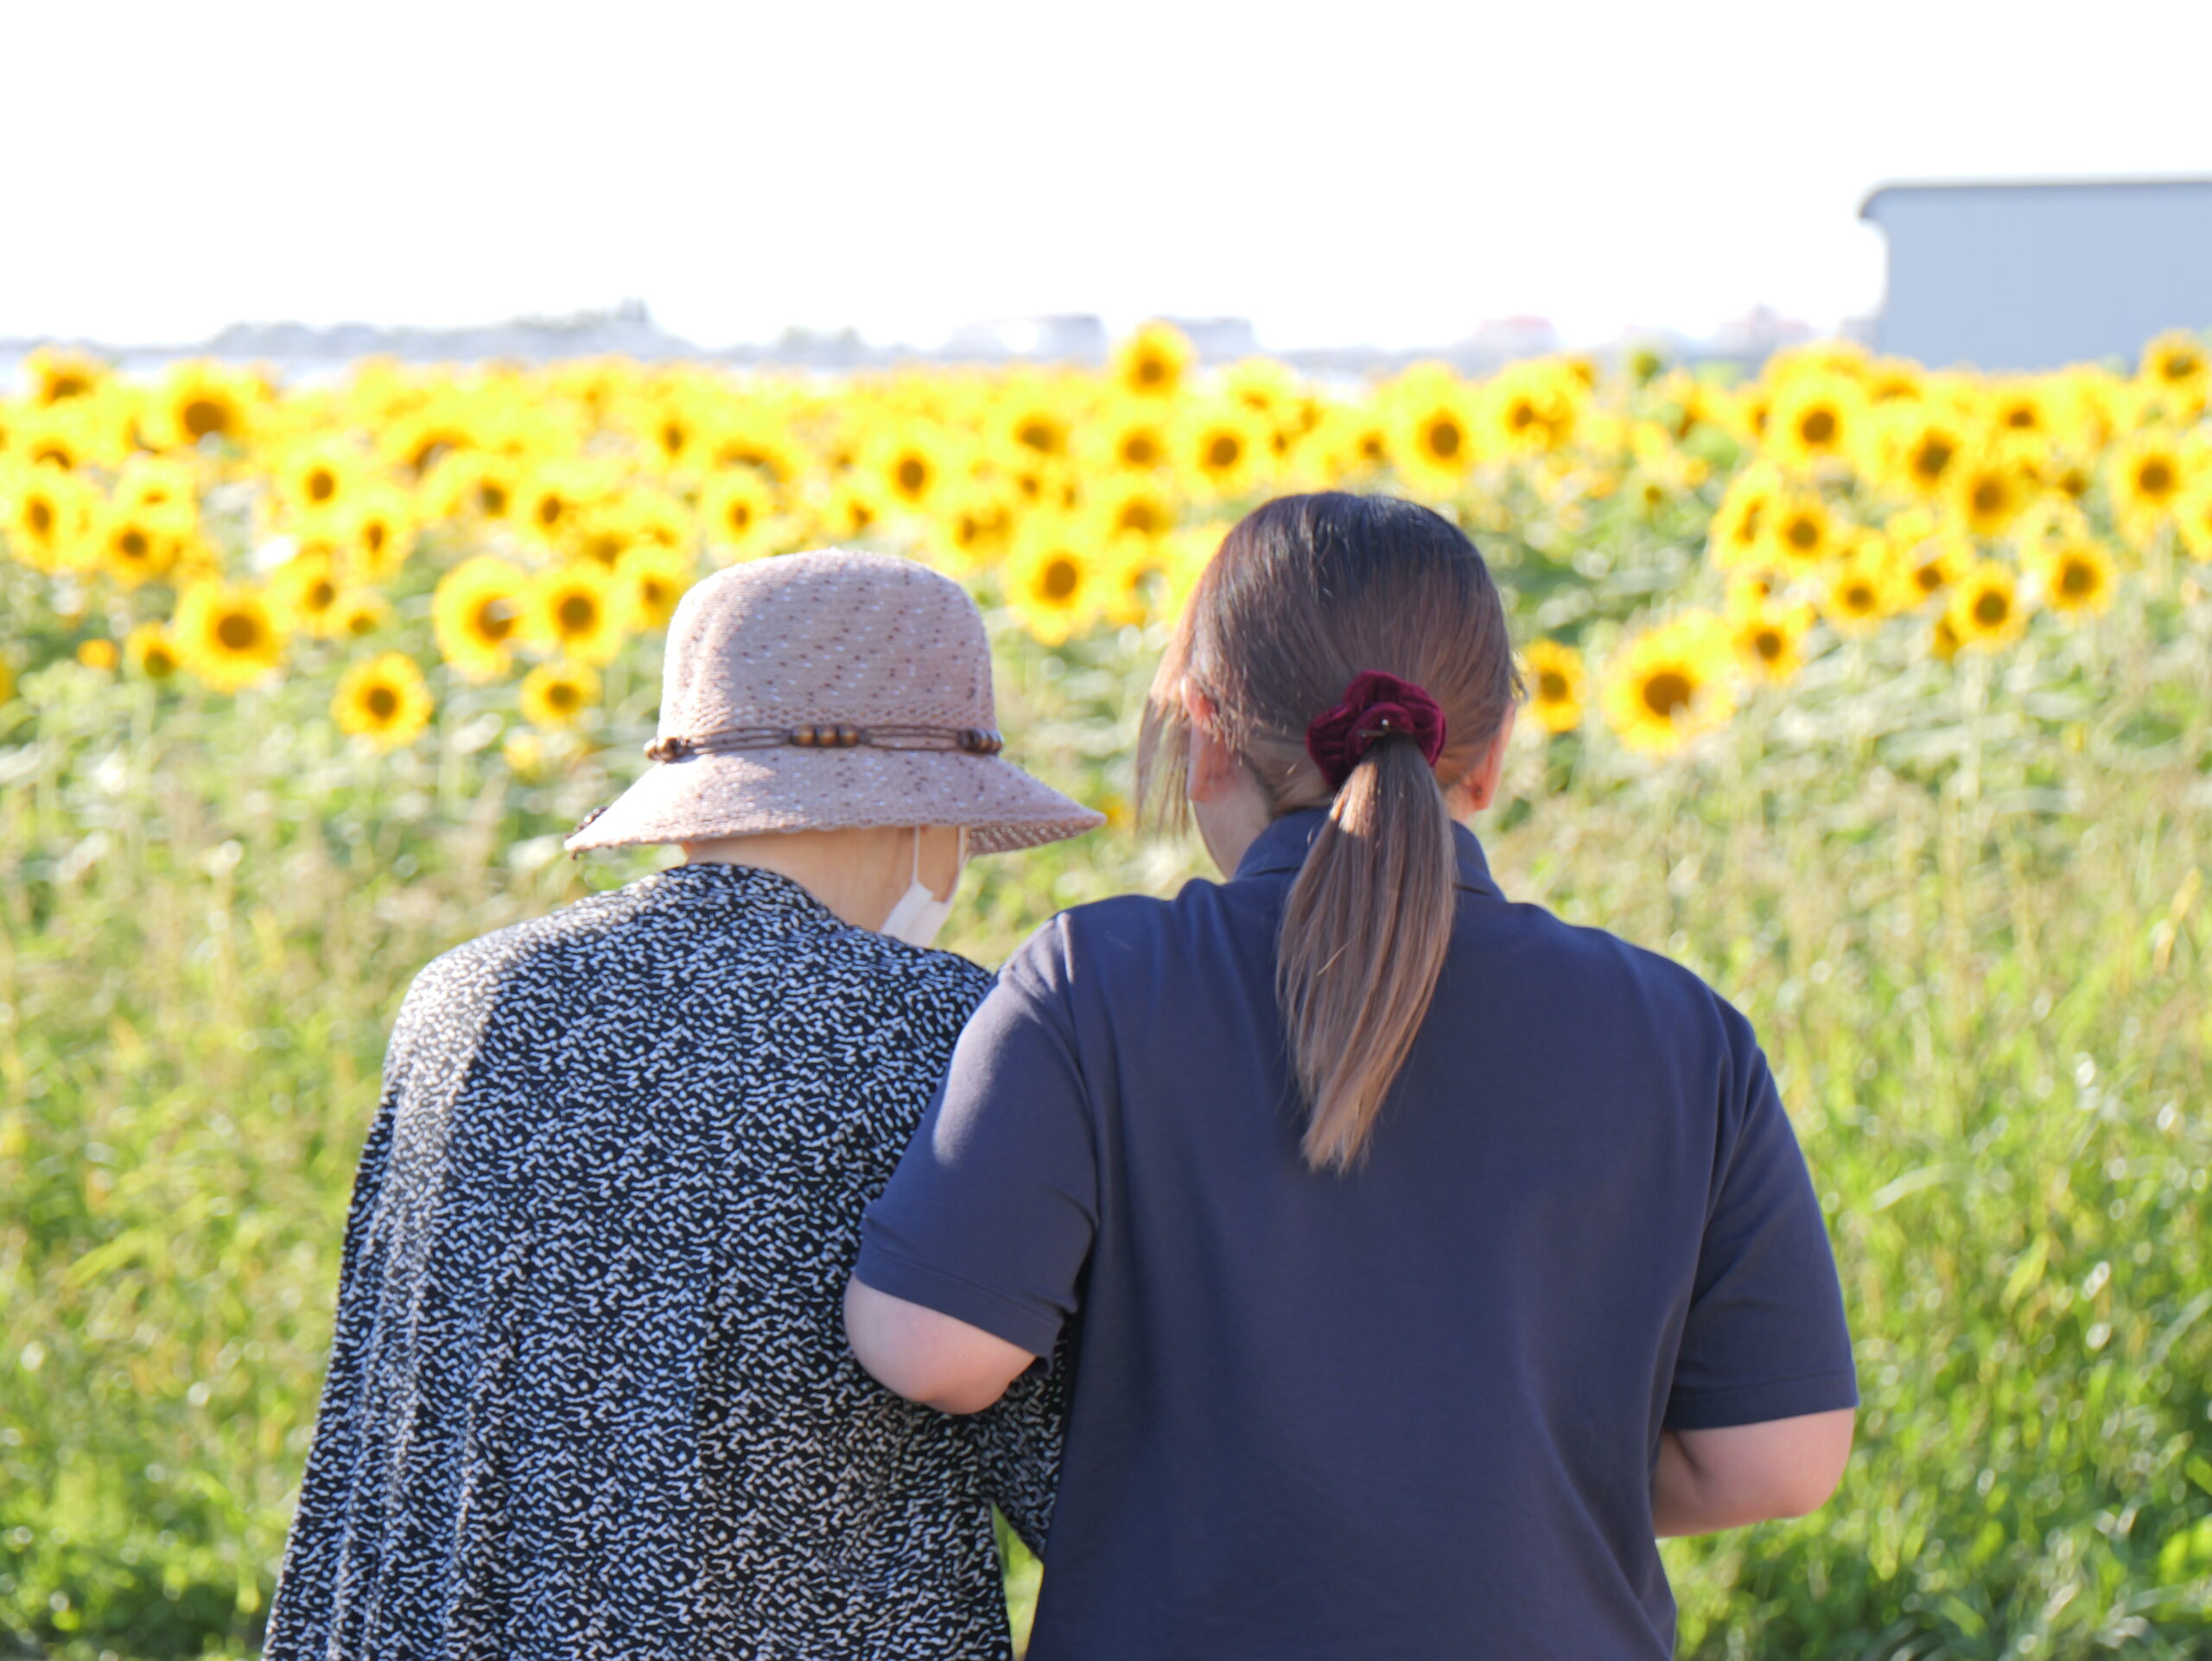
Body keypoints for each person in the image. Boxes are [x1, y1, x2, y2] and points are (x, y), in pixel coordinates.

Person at [846, 493, 1858, 1659]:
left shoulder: (1098, 979)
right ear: (1489, 760)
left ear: (1205, 732)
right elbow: (1779, 1457)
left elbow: (936, 1350)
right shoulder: (1686, 1032)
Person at [266, 549, 1100, 1661]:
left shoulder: (464, 999)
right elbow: (1059, 1447)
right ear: (930, 823)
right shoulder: (944, 1025)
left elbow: (386, 1409)